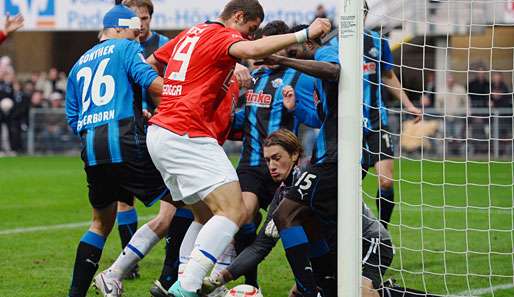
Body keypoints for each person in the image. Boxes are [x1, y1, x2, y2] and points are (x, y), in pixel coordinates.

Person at [139, 1, 331, 296]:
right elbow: (252, 51)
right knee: (235, 211)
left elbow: (150, 63)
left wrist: (162, 101)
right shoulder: (222, 36)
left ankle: (183, 279)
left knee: (204, 215)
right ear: (239, 17)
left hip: (161, 132)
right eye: (250, 30)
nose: (250, 39)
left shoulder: (192, 32)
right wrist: (305, 33)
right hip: (187, 133)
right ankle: (188, 287)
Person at [64, 4, 167, 297]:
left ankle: (77, 294)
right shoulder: (125, 48)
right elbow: (150, 82)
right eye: (134, 32)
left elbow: (73, 118)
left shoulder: (79, 63)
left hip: (93, 149)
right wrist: (183, 98)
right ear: (121, 28)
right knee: (185, 203)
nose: (137, 37)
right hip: (125, 140)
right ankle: (177, 279)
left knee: (99, 223)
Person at [227, 19, 321, 289]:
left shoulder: (298, 77)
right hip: (251, 164)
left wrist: (293, 109)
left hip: (285, 168)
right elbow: (243, 118)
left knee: (295, 225)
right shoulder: (252, 77)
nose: (265, 54)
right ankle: (250, 285)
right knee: (243, 217)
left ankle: (306, 285)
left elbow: (313, 118)